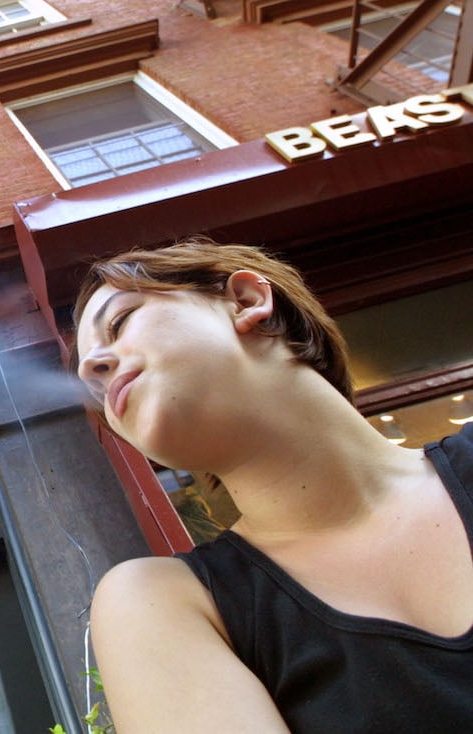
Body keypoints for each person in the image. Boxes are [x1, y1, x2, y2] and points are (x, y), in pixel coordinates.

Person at [73, 238, 473, 732]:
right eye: (91, 382)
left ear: (245, 301)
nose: (93, 369)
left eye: (119, 321)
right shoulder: (164, 601)